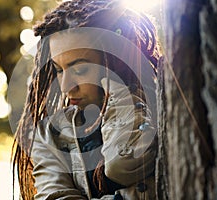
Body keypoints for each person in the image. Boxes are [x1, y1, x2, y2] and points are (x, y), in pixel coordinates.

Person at [12, 0, 161, 199]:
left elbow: (122, 164)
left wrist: (123, 99)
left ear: (115, 62)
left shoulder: (161, 111)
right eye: (58, 70)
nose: (65, 87)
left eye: (80, 70)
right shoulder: (50, 136)